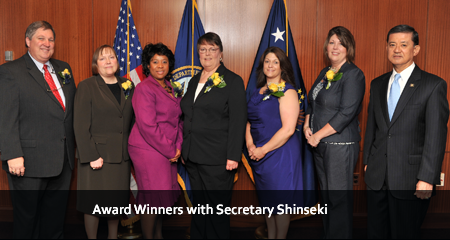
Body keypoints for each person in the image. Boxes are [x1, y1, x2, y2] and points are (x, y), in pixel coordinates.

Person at [363, 24, 449, 239]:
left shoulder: (433, 85)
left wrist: (427, 178)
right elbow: (371, 128)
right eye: (392, 44)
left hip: (411, 180)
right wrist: (367, 162)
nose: (397, 49)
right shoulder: (377, 84)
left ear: (415, 49)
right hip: (376, 177)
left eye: (403, 44)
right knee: (376, 233)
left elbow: (436, 136)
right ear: (387, 48)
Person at [0, 21, 76, 238]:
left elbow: (69, 110)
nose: (47, 43)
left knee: (55, 222)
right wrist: (12, 154)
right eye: (41, 38)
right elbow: (5, 116)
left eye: (51, 39)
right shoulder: (10, 72)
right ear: (28, 41)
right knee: (27, 223)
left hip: (63, 161)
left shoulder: (64, 68)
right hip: (28, 163)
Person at [180, 32, 247, 239]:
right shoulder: (193, 81)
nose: (207, 53)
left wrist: (233, 156)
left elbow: (238, 121)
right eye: (203, 49)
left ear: (221, 54)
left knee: (217, 211)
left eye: (212, 49)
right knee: (199, 209)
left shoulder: (233, 81)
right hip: (192, 157)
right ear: (198, 53)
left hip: (217, 158)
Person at [304, 26, 365, 239]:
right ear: (326, 47)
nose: (335, 47)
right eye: (332, 42)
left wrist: (318, 135)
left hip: (340, 146)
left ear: (349, 48)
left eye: (341, 42)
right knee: (328, 200)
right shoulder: (326, 72)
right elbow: (312, 102)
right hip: (320, 146)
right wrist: (306, 125)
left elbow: (346, 113)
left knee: (338, 200)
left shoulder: (353, 74)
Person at [74, 45, 134, 239]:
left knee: (115, 202)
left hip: (121, 156)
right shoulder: (87, 86)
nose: (108, 61)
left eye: (112, 57)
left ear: (118, 61)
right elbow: (80, 125)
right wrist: (91, 155)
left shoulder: (128, 86)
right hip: (96, 156)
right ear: (95, 64)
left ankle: (112, 236)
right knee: (93, 203)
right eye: (102, 58)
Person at [246, 46, 303, 239]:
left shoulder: (288, 91)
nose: (270, 65)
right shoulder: (257, 91)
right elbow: (248, 120)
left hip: (280, 153)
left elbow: (288, 129)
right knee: (267, 201)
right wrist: (250, 146)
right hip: (259, 155)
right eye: (267, 61)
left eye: (275, 62)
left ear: (282, 66)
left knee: (280, 203)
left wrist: (263, 150)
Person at [128, 43, 181, 239]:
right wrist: (170, 150)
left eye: (164, 61)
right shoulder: (144, 88)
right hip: (147, 150)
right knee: (152, 199)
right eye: (155, 61)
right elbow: (147, 126)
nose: (160, 66)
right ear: (148, 65)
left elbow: (178, 121)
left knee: (158, 200)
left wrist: (178, 147)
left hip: (166, 148)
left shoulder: (170, 87)